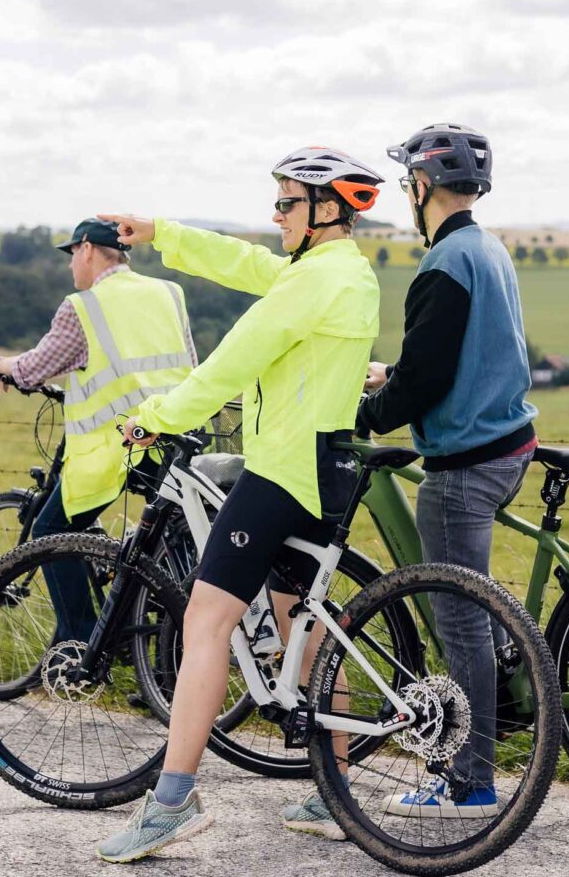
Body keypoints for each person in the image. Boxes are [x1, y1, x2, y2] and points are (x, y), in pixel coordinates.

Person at [93, 146, 383, 863]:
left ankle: (172, 802)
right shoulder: (338, 271)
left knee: (207, 619)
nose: (275, 215)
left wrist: (156, 416)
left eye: (286, 203)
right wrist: (160, 232)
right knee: (302, 622)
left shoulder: (312, 282)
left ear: (324, 210)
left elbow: (232, 360)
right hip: (327, 467)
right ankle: (334, 789)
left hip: (282, 473)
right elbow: (242, 264)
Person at [358, 123, 538, 819]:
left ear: (422, 187)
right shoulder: (486, 249)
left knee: (459, 620)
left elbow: (428, 381)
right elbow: (457, 356)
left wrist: (369, 411)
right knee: (478, 606)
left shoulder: (441, 265)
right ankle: (508, 702)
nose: (408, 192)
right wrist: (395, 376)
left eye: (409, 181)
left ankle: (471, 783)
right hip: (509, 443)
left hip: (465, 464)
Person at [0, 217, 195, 644]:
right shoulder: (170, 293)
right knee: (172, 548)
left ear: (88, 250)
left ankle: (80, 643)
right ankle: (163, 672)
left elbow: (34, 368)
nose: (71, 265)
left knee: (48, 532)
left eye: (72, 254)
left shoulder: (84, 307)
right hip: (177, 436)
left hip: (121, 446)